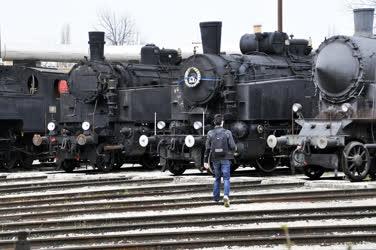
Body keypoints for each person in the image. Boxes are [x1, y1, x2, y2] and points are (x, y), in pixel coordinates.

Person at [204, 114, 237, 207]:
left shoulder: (210, 133)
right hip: (226, 158)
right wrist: (233, 151)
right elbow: (233, 146)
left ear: (214, 122)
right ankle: (226, 196)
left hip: (215, 158)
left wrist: (205, 161)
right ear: (222, 122)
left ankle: (216, 198)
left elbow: (207, 148)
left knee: (217, 178)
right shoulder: (227, 132)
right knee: (226, 178)